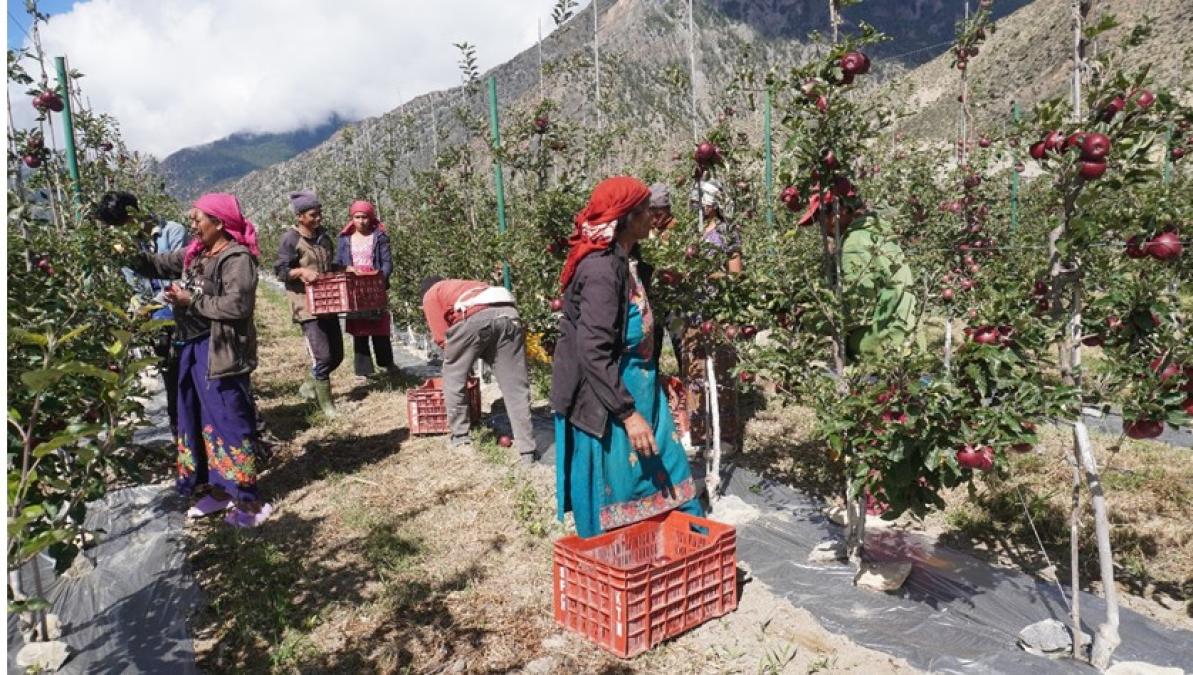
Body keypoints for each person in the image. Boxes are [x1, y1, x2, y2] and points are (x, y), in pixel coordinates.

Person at [551, 176, 703, 538]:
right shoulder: (602, 270)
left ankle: (681, 547)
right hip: (607, 399)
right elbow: (593, 351)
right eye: (646, 210)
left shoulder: (626, 259)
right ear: (626, 218)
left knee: (668, 468)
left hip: (641, 389)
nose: (653, 216)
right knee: (616, 484)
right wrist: (628, 414)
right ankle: (621, 559)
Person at [128, 193, 271, 527]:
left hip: (220, 351)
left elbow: (237, 306)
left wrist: (189, 299)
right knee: (199, 419)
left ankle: (249, 502)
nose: (192, 224)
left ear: (219, 223)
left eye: (197, 219)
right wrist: (122, 248)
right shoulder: (197, 254)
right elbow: (156, 263)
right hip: (192, 348)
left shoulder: (236, 258)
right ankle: (220, 492)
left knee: (229, 421)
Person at [98, 191, 189, 436]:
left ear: (133, 215)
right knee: (171, 377)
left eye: (123, 224)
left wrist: (156, 306)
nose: (123, 230)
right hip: (157, 321)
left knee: (191, 374)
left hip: (184, 315)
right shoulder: (129, 246)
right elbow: (135, 286)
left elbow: (182, 277)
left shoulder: (174, 232)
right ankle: (180, 434)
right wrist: (141, 308)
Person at [420, 277, 537, 463]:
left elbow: (443, 339)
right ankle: (527, 451)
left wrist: (461, 362)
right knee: (515, 386)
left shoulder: (430, 294)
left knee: (453, 376)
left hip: (475, 317)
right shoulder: (464, 285)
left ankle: (460, 437)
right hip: (509, 314)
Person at [798, 189, 918, 359]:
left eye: (822, 218)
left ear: (840, 211)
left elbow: (858, 308)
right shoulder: (877, 234)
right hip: (903, 334)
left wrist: (815, 322)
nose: (822, 227)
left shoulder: (854, 243)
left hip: (880, 344)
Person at [274, 190, 343, 418]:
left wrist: (344, 269)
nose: (318, 218)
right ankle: (327, 406)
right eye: (313, 215)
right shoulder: (290, 239)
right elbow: (281, 271)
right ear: (300, 216)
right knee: (323, 356)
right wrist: (301, 271)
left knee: (338, 355)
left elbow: (330, 263)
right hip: (306, 306)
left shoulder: (323, 236)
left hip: (328, 301)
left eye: (320, 214)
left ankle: (309, 384)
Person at [684, 180, 742, 451]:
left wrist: (708, 274)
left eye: (701, 202)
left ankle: (725, 436)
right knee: (695, 372)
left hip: (718, 310)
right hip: (694, 311)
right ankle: (699, 433)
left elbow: (735, 274)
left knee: (721, 373)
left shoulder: (726, 231)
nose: (697, 207)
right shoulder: (692, 232)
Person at [334, 200, 398, 378]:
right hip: (355, 289)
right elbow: (338, 263)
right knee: (359, 329)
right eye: (357, 217)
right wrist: (347, 269)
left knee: (380, 326)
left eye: (365, 217)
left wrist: (378, 280)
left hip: (375, 287)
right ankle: (363, 371)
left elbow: (387, 263)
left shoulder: (379, 237)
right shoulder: (345, 239)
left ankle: (386, 363)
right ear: (352, 218)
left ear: (371, 218)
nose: (361, 221)